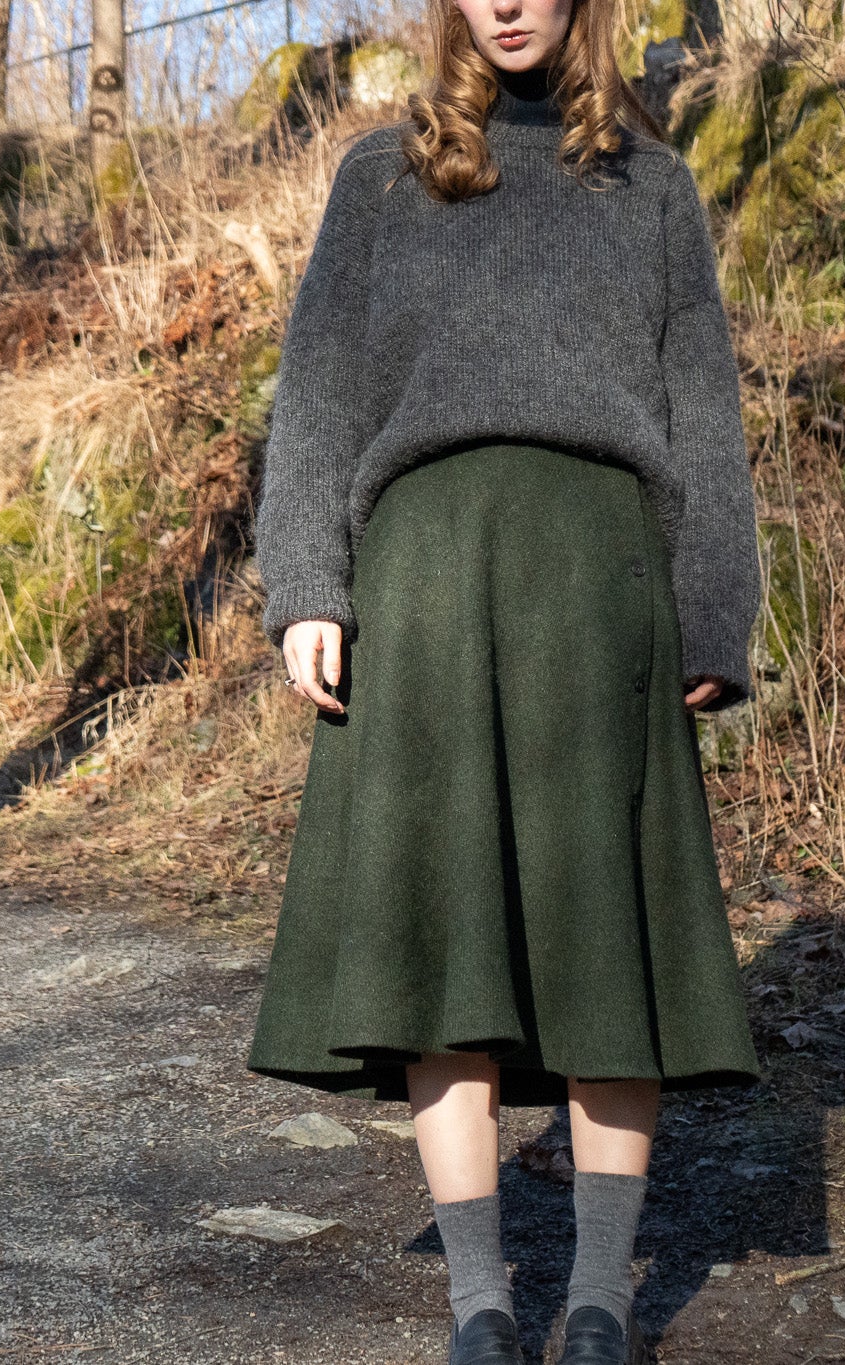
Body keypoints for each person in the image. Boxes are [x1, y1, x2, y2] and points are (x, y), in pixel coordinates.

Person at [245, 0, 762, 1358]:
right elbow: (318, 392)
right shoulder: (382, 179)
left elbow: (700, 404)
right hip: (419, 595)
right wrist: (305, 581)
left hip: (602, 602)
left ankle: (598, 1302)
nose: (509, 4)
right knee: (443, 947)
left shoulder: (653, 185)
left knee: (607, 947)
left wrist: (717, 607)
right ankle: (481, 1306)